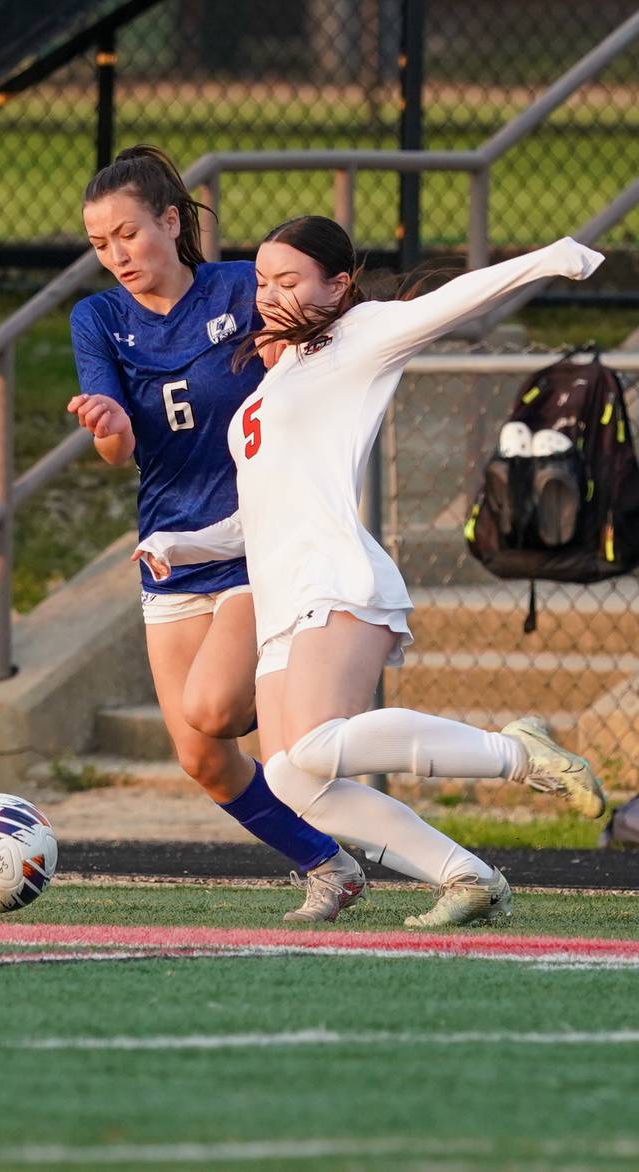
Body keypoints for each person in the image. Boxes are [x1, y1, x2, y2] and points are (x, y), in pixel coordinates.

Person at [134, 218, 607, 927]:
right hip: (282, 599)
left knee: (320, 743)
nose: (269, 295)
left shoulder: (361, 337)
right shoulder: (269, 385)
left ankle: (517, 751)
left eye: (289, 281)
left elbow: (454, 301)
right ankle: (467, 876)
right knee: (294, 776)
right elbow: (260, 513)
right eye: (262, 281)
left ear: (338, 284)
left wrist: (551, 257)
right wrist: (185, 546)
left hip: (337, 579)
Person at [67, 148, 366, 922]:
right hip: (171, 550)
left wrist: (293, 348)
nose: (117, 255)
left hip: (254, 543)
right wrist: (107, 425)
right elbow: (120, 449)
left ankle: (306, 703)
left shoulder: (241, 288)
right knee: (202, 755)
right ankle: (328, 864)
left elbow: (325, 350)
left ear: (170, 221)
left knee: (216, 708)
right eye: (101, 245)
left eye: (128, 234)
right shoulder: (98, 318)